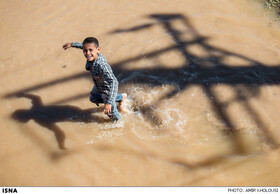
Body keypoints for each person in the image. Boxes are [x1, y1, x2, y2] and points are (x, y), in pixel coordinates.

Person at [62, 37, 127, 122]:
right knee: (93, 98)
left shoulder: (102, 65)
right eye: (85, 51)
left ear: (98, 50)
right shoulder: (91, 52)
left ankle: (119, 120)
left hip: (107, 90)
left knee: (114, 116)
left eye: (90, 50)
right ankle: (121, 97)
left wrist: (108, 103)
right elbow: (83, 45)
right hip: (98, 84)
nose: (87, 53)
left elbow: (114, 82)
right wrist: (72, 44)